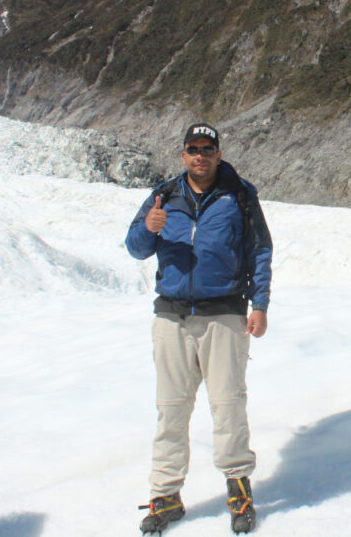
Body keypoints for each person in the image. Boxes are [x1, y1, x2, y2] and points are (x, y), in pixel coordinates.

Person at [125, 122, 273, 535]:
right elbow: (136, 247)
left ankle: (239, 489)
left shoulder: (239, 195)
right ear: (183, 154)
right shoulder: (164, 196)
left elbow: (260, 250)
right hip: (171, 317)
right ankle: (166, 495)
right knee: (171, 409)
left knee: (228, 405)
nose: (200, 156)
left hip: (224, 314)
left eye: (208, 149)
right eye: (193, 149)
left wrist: (258, 304)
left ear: (218, 154)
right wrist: (149, 227)